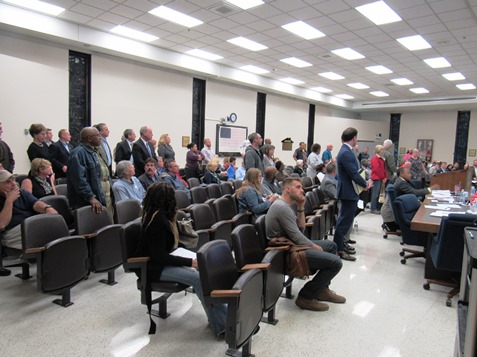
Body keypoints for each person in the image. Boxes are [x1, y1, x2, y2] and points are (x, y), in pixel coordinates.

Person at [135, 182, 226, 337]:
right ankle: (221, 325)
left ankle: (224, 314)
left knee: (204, 269)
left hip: (160, 262)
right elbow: (159, 256)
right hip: (152, 268)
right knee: (198, 278)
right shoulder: (157, 221)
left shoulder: (159, 215)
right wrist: (189, 262)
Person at [266, 178, 344, 311]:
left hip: (292, 245)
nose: (302, 190)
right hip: (285, 252)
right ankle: (306, 297)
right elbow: (297, 237)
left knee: (331, 246)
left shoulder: (288, 206)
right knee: (336, 263)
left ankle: (322, 289)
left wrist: (301, 208)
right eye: (298, 187)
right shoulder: (281, 207)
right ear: (287, 189)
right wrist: (314, 247)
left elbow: (300, 230)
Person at [335, 127, 372, 261]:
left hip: (351, 190)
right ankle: (338, 249)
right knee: (344, 221)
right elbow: (353, 173)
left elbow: (355, 171)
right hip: (347, 191)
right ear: (354, 138)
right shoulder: (345, 152)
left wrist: (364, 182)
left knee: (347, 220)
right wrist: (365, 184)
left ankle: (342, 244)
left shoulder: (348, 151)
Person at [0, 170, 58, 252]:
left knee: (54, 225)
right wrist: (9, 200)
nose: (13, 184)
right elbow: (2, 224)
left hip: (30, 226)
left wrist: (47, 208)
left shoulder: (21, 193)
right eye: (7, 182)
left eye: (13, 179)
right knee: (47, 233)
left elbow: (36, 204)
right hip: (12, 233)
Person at [67, 127, 110, 215]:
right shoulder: (78, 153)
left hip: (103, 194)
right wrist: (90, 197)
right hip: (88, 200)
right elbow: (79, 179)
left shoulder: (95, 151)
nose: (100, 138)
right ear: (89, 138)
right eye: (98, 135)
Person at [370, 145, 387, 214]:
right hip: (377, 178)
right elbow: (377, 169)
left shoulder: (381, 158)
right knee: (375, 194)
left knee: (378, 194)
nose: (383, 151)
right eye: (382, 150)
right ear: (379, 150)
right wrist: (383, 177)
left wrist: (385, 176)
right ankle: (373, 208)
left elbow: (383, 169)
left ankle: (377, 207)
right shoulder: (375, 158)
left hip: (380, 177)